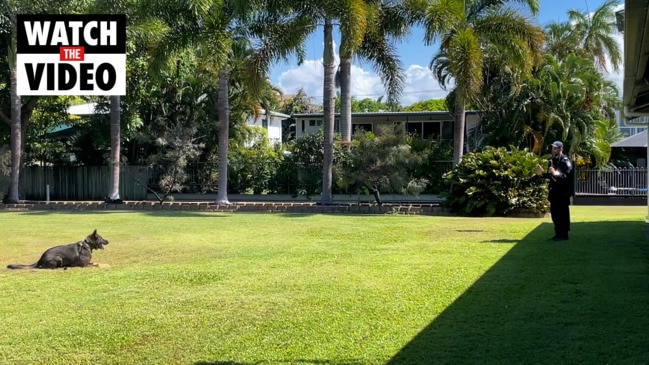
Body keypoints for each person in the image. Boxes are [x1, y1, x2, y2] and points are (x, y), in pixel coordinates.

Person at [536, 141, 573, 241]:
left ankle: (564, 234)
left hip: (563, 193)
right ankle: (557, 233)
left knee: (562, 213)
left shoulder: (565, 161)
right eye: (553, 148)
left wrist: (555, 173)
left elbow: (566, 175)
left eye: (556, 148)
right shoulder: (552, 161)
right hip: (554, 192)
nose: (553, 150)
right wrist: (542, 174)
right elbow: (551, 176)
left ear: (561, 149)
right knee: (555, 213)